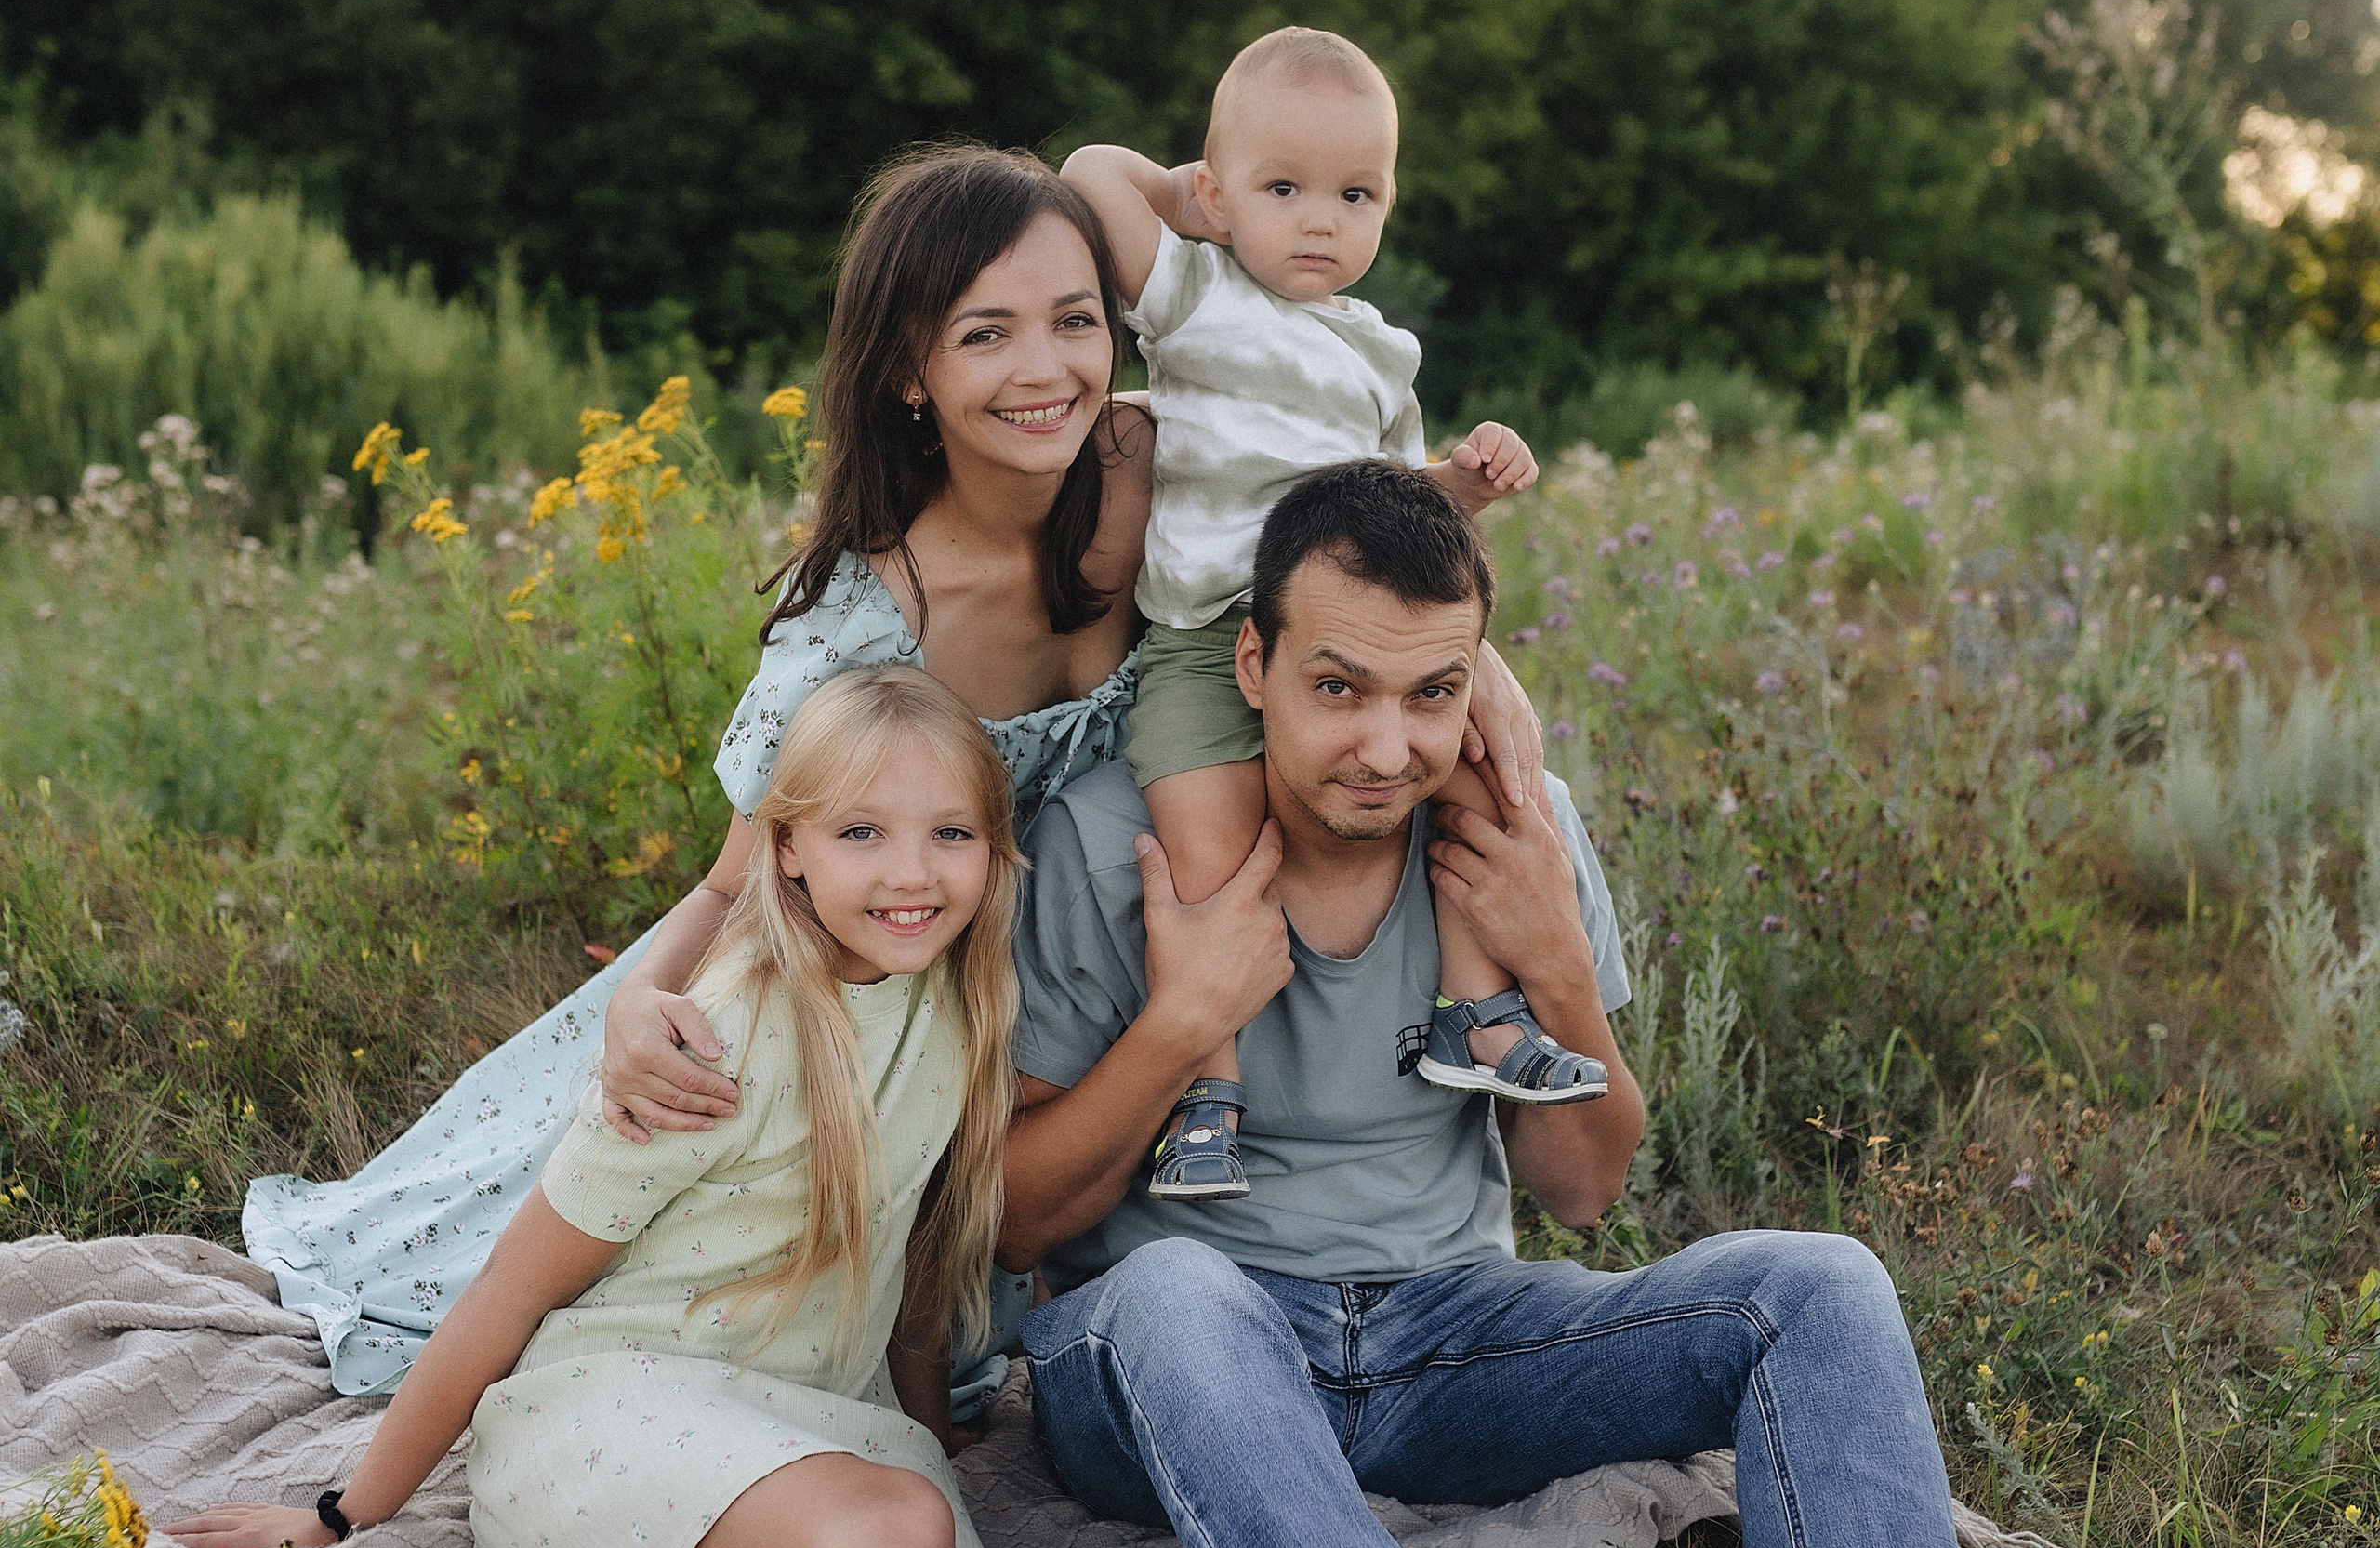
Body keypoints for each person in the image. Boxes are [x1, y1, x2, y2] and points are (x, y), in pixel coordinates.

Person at [997, 459, 2289, 1548]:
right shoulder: (1118, 830)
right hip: (1169, 1361)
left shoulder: (1507, 834)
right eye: (1336, 687)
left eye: (1430, 692)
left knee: (1813, 1282)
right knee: (1184, 1298)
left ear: (1479, 679)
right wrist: (1186, 1022)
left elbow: (1585, 1183)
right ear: (1250, 663)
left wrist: (1550, 961)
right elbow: (1020, 1222)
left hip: (1441, 1331)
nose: (1387, 745)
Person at [246, 136, 1545, 1415]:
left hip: (1048, 961)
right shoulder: (869, 625)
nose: (1045, 370)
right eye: (985, 335)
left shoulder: (1158, 467)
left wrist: (1483, 671)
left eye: (1076, 321)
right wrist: (640, 1010)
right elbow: (735, 883)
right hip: (874, 973)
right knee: (622, 1317)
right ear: (910, 375)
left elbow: (1358, 580)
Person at [177, 673, 1300, 1548]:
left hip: (800, 1431)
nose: (911, 873)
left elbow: (887, 1261)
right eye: (863, 836)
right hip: (610, 1418)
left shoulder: (949, 1017)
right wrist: (348, 1512)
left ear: (993, 854)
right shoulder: (707, 1044)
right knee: (881, 1523)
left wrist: (919, 1424)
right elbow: (506, 1295)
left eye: (950, 834)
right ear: (785, 850)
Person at [1063, 29, 1599, 1207]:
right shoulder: (1196, 295)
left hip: (1353, 636)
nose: (1321, 221)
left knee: (1476, 799)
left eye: (1355, 194)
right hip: (1212, 635)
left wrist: (1463, 482)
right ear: (1218, 196)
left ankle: (1475, 1017)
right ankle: (1208, 1092)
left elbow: (1397, 515)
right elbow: (1093, 174)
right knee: (1206, 854)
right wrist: (1186, 202)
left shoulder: (1375, 350)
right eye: (1283, 189)